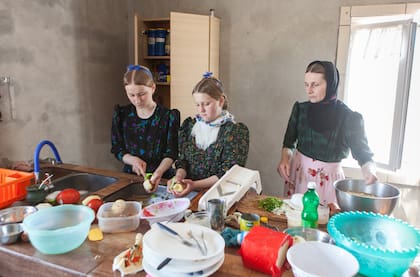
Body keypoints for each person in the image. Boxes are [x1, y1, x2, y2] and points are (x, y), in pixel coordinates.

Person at [277, 60, 377, 205]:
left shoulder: (349, 118)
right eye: (306, 84)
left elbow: (363, 154)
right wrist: (285, 159)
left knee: (323, 222)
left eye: (315, 85)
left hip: (328, 182)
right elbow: (289, 143)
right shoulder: (300, 110)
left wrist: (369, 171)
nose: (309, 90)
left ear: (330, 85)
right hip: (299, 176)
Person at [169, 72, 249, 197]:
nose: (201, 110)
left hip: (219, 196)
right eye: (197, 104)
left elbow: (228, 173)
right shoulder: (189, 127)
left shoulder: (235, 132)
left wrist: (194, 185)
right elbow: (183, 161)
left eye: (206, 104)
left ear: (220, 101)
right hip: (188, 193)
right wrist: (179, 177)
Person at [111, 65, 180, 191]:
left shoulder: (168, 116)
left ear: (153, 87)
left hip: (163, 177)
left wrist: (158, 173)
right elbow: (117, 148)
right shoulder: (122, 115)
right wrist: (132, 160)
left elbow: (172, 152)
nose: (137, 100)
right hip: (130, 178)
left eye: (142, 94)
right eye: (131, 95)